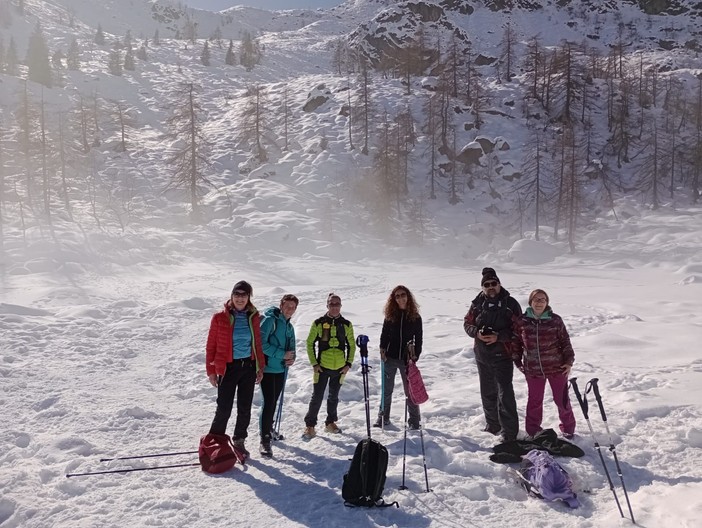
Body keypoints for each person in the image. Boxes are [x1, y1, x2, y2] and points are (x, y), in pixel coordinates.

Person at [206, 280, 265, 457]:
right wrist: (211, 371)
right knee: (223, 407)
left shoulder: (253, 317)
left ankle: (239, 440)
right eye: (237, 295)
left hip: (248, 367)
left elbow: (257, 344)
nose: (240, 299)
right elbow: (211, 346)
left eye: (244, 295)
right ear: (231, 296)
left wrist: (260, 367)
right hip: (228, 368)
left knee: (245, 407)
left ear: (249, 298)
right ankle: (215, 440)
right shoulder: (219, 318)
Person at [463, 267, 522, 442]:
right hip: (482, 355)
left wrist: (499, 337)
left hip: (503, 355)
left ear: (499, 284)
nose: (490, 287)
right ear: (482, 287)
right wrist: (476, 333)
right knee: (487, 392)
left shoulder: (510, 304)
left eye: (493, 284)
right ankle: (493, 425)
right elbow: (467, 323)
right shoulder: (477, 304)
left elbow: (520, 330)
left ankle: (509, 432)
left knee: (505, 394)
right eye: (486, 285)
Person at [512, 289, 576, 439]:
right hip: (533, 369)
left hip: (557, 368)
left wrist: (568, 362)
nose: (539, 302)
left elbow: (565, 342)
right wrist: (517, 361)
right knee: (534, 401)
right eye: (536, 299)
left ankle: (568, 429)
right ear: (530, 302)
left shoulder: (555, 320)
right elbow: (516, 343)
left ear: (547, 302)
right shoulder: (522, 321)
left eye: (542, 299)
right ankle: (533, 431)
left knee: (562, 400)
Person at [303, 293, 356, 439]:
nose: (334, 307)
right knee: (317, 396)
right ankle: (310, 426)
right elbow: (309, 343)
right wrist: (314, 363)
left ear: (340, 306)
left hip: (339, 368)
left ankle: (330, 422)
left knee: (334, 397)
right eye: (332, 304)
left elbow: (352, 345)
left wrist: (348, 364)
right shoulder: (319, 322)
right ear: (327, 305)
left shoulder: (346, 324)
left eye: (337, 304)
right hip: (322, 367)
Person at [374, 285, 423, 429]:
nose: (400, 298)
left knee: (410, 391)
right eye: (397, 296)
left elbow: (419, 339)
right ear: (393, 299)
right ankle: (383, 418)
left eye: (403, 295)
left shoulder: (415, 317)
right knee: (386, 390)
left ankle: (414, 420)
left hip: (406, 359)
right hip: (389, 358)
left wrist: (415, 356)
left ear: (408, 296)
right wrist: (382, 349)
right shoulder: (390, 316)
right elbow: (384, 334)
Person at [258, 294, 299, 457]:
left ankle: (268, 428)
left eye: (293, 307)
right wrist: (282, 355)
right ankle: (264, 440)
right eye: (287, 306)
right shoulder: (270, 321)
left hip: (281, 370)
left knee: (273, 402)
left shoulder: (289, 327)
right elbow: (261, 344)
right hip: (267, 368)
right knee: (268, 403)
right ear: (281, 305)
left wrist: (291, 358)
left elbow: (292, 347)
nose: (290, 310)